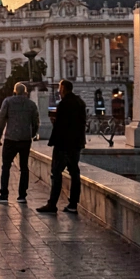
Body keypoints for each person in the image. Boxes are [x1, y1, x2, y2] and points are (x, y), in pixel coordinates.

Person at [39, 79, 86, 214]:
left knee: (56, 173)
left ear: (64, 89)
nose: (59, 91)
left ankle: (52, 204)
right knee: (74, 173)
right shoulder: (80, 102)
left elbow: (61, 126)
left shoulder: (64, 104)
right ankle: (73, 204)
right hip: (76, 143)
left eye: (60, 88)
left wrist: (53, 127)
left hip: (64, 144)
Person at [0, 83, 40, 204]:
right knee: (24, 167)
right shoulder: (31, 104)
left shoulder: (8, 101)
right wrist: (33, 134)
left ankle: (4, 194)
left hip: (10, 138)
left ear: (14, 91)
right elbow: (36, 121)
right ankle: (22, 195)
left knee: (6, 166)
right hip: (25, 139)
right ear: (25, 92)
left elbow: (1, 118)